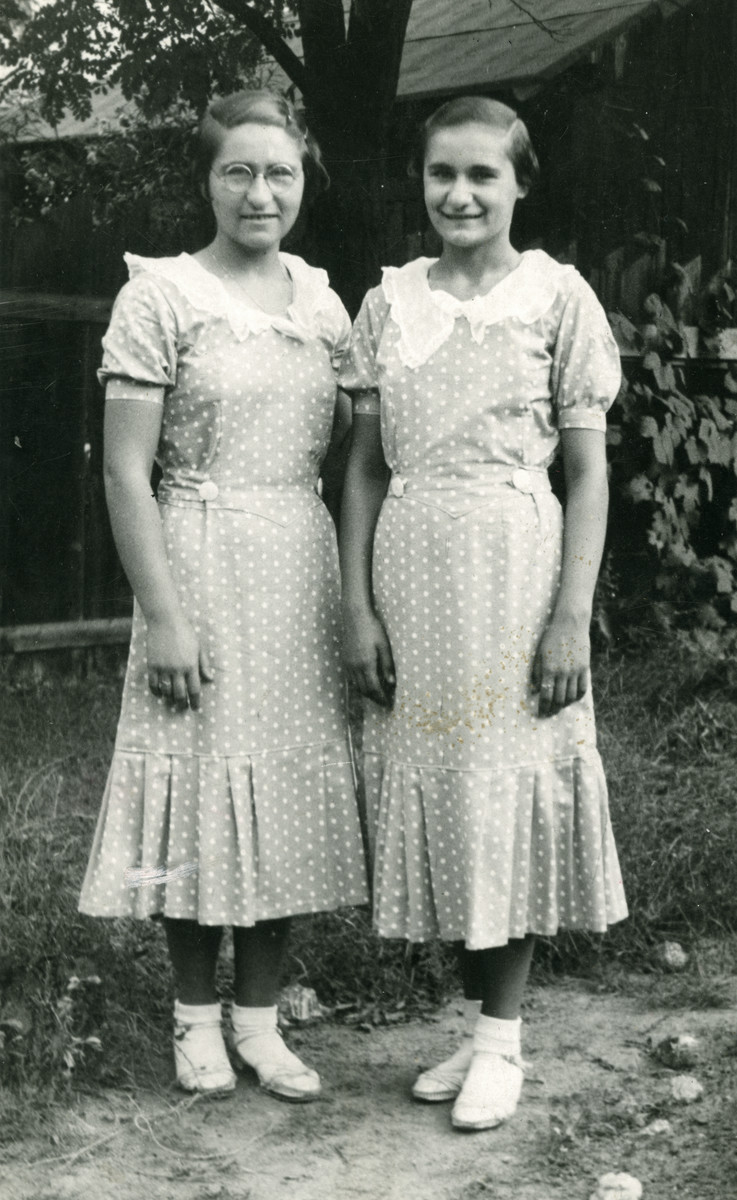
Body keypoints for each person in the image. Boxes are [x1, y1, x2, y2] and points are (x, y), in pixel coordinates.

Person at [338, 96, 628, 1132]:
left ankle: (502, 1042)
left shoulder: (558, 298)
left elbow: (587, 476)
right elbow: (364, 470)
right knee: (448, 797)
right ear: (419, 182)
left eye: (481, 176)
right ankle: (473, 1027)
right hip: (412, 566)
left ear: (517, 183)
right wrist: (357, 605)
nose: (457, 194)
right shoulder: (387, 303)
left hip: (515, 566)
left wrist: (567, 618)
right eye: (439, 175)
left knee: (500, 791)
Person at [79, 90, 368, 1101]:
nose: (258, 192)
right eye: (237, 171)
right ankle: (193, 1020)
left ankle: (259, 1020)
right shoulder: (159, 297)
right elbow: (125, 474)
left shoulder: (325, 306)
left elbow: (349, 452)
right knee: (200, 787)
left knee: (284, 788)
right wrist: (163, 615)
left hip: (295, 559)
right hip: (194, 558)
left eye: (277, 172)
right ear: (205, 181)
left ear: (303, 181)